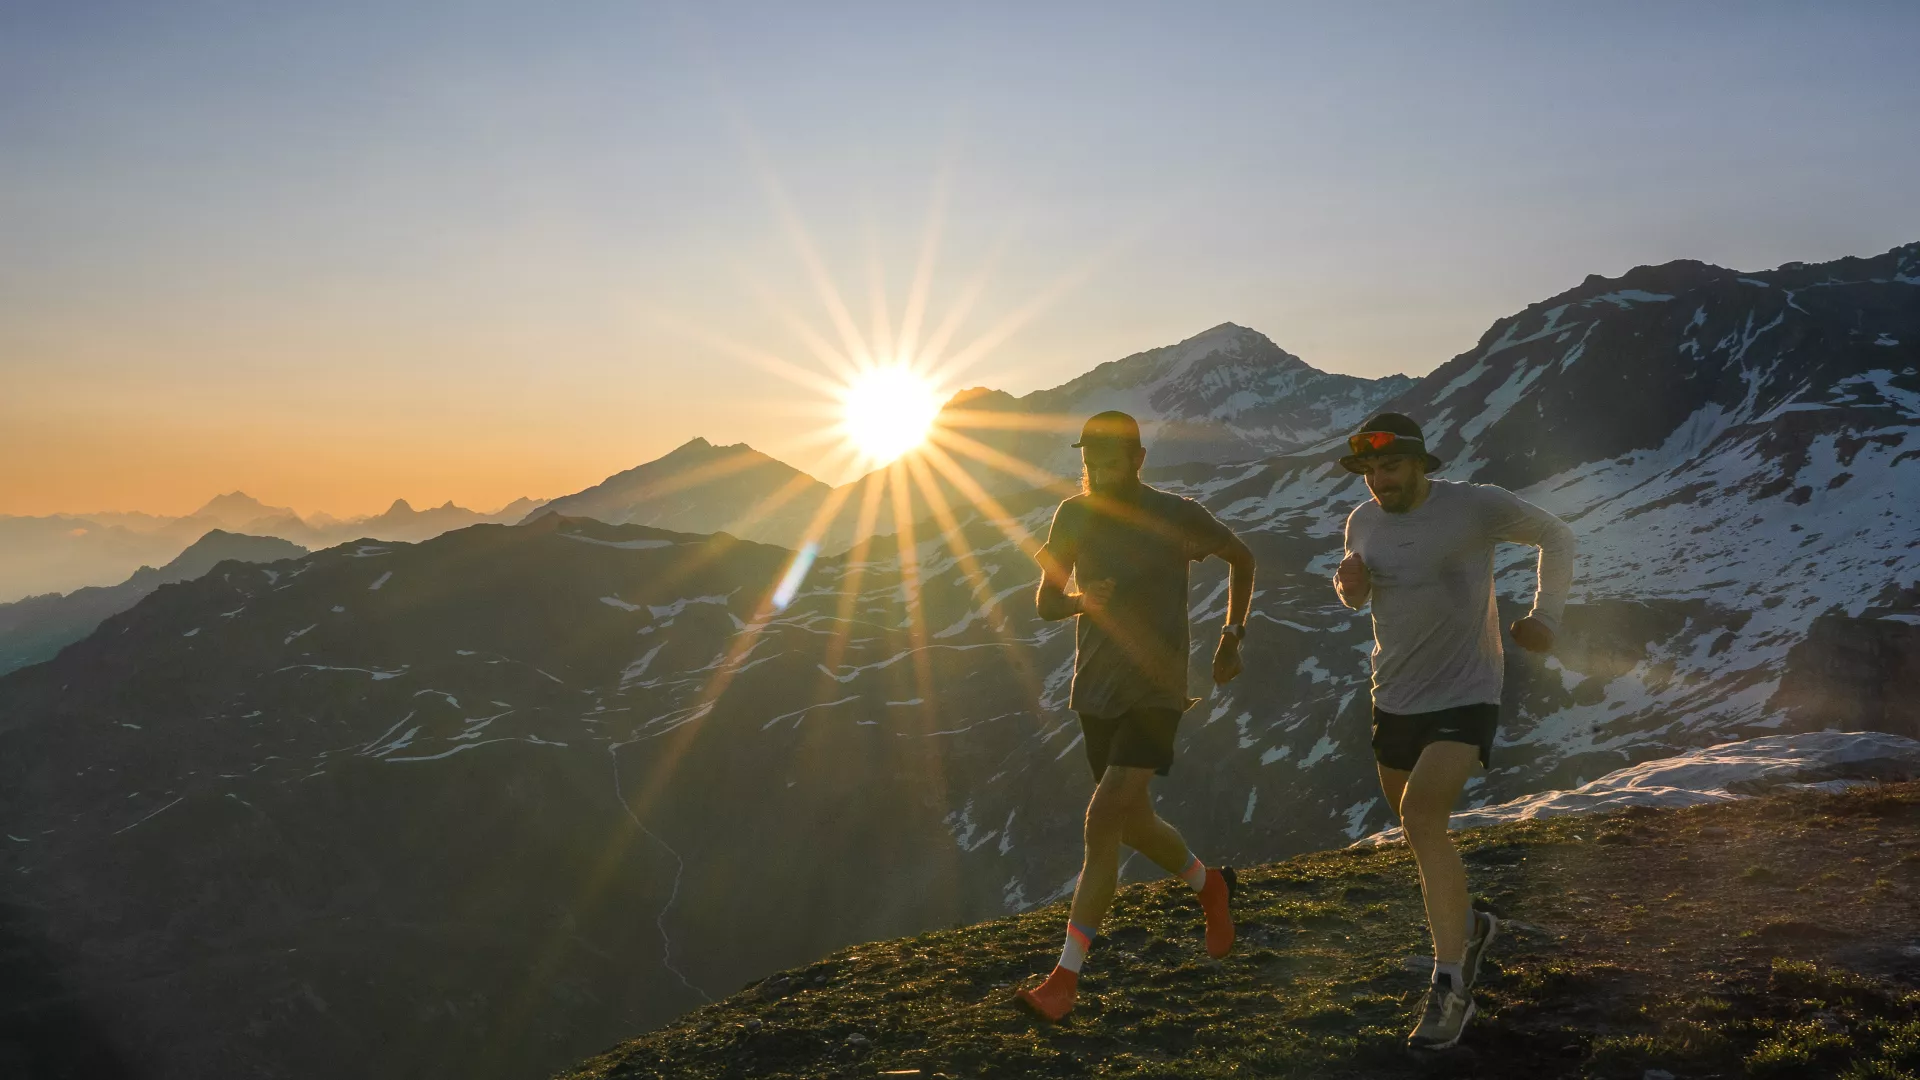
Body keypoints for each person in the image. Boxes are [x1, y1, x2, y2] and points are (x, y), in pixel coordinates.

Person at [1333, 412, 1575, 1050]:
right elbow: (1358, 592)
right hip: (1395, 695)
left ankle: (1451, 987)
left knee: (1418, 822)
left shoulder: (1475, 507)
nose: (1378, 480)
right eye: (1369, 471)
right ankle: (1469, 925)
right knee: (1419, 831)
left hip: (1467, 692)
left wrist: (1544, 616)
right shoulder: (1362, 521)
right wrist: (1347, 586)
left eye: (1390, 467)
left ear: (1419, 463)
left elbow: (1557, 533)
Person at [1014, 410, 1258, 1023]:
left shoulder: (1177, 514)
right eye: (1090, 461)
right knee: (1134, 822)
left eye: (1110, 461)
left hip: (1158, 690)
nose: (1097, 471)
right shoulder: (1073, 515)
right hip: (1095, 691)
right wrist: (1078, 602)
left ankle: (1063, 981)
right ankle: (1212, 888)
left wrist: (1231, 636)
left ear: (1139, 459)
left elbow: (1242, 558)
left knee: (1102, 821)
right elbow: (1045, 601)